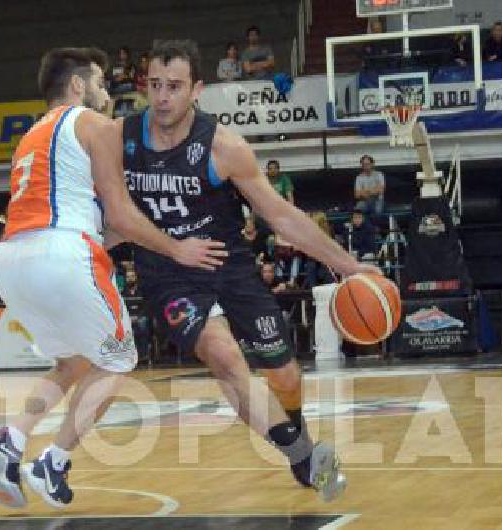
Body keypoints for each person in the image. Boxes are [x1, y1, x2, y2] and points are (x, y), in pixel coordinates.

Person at [118, 40, 379, 499]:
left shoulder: (222, 146)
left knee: (286, 376)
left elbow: (280, 217)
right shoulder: (120, 140)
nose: (162, 97)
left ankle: (292, 434)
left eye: (174, 87)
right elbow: (108, 214)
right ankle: (302, 453)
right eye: (155, 85)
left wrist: (350, 266)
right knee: (224, 356)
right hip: (166, 270)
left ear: (196, 89)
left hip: (227, 263)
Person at [0, 46, 226, 510]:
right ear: (77, 87)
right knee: (118, 361)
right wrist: (177, 248)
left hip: (12, 259)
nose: (107, 92)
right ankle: (53, 462)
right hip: (64, 254)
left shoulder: (31, 137)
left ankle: (10, 442)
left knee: (72, 362)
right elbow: (122, 217)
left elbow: (93, 222)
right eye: (101, 82)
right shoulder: (96, 125)